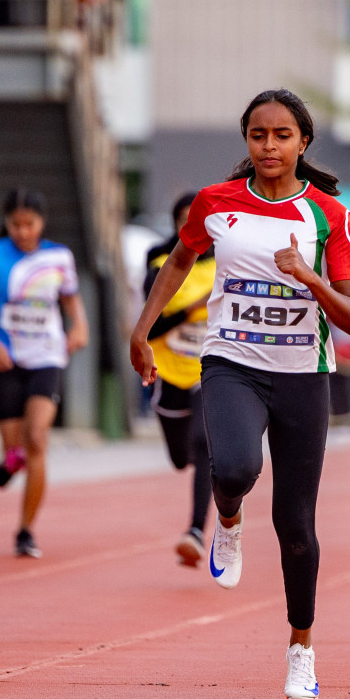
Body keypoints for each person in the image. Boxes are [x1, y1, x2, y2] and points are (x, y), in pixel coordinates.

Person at [130, 89, 350, 699]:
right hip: (231, 360)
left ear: (303, 143)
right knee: (233, 465)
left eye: (282, 135)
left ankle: (301, 650)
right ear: (246, 141)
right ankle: (226, 520)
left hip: (302, 375)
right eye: (258, 135)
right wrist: (142, 329)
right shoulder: (216, 205)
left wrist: (309, 275)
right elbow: (180, 260)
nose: (269, 146)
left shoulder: (330, 218)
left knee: (296, 526)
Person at [0, 189, 89, 558]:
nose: (22, 231)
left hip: (47, 356)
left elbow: (70, 297)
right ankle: (9, 461)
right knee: (15, 450)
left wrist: (79, 325)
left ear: (42, 222)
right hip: (7, 360)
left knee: (36, 440)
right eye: (15, 225)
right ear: (6, 224)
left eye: (29, 224)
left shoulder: (58, 257)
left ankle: (26, 530)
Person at [143, 191, 217, 567]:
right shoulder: (160, 262)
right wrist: (190, 310)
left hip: (210, 370)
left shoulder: (225, 262)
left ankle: (195, 531)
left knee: (205, 443)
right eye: (185, 221)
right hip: (169, 370)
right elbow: (151, 325)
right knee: (180, 457)